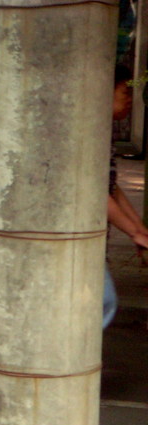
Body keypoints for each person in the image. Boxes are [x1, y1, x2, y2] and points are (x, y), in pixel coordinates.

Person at [104, 64, 148, 328]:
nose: (131, 101)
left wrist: (138, 228)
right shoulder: (90, 135)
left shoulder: (104, 134)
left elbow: (110, 188)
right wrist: (134, 231)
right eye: (125, 93)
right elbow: (98, 195)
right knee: (102, 300)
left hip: (94, 240)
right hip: (74, 236)